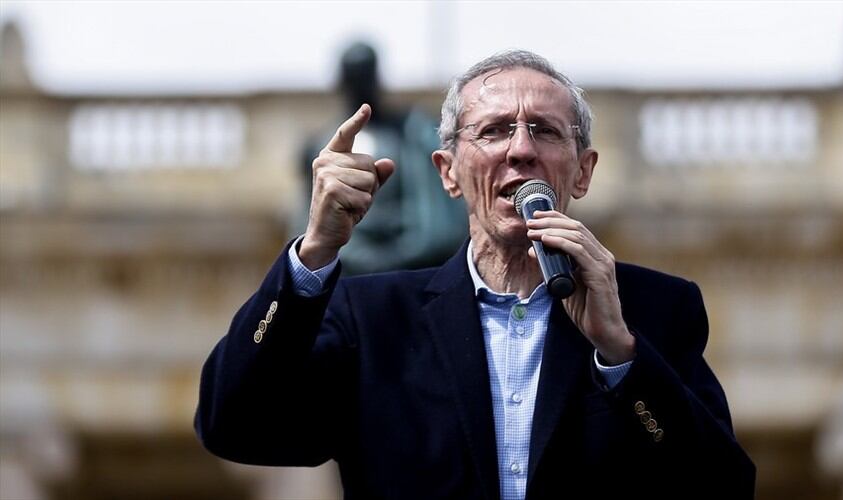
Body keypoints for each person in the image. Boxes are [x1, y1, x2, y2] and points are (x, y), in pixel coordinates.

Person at [196, 50, 756, 499]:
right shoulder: (372, 321)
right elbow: (233, 423)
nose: (520, 150)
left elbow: (722, 488)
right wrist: (314, 253)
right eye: (493, 132)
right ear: (448, 172)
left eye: (544, 130)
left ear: (582, 173)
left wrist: (620, 356)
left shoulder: (655, 311)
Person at [295, 41, 467, 274]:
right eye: (355, 78)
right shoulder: (319, 146)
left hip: (413, 263)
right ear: (341, 82)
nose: (362, 87)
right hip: (349, 267)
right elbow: (306, 225)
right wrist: (358, 258)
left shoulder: (412, 133)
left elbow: (439, 218)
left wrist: (405, 255)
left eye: (366, 77)